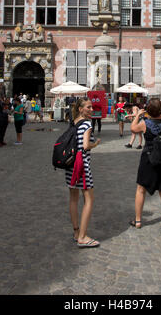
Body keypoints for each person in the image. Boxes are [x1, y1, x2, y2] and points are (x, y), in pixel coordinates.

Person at [129, 99, 161, 235]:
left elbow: (133, 128)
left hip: (149, 159)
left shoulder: (145, 124)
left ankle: (138, 220)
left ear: (148, 111)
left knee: (141, 188)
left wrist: (138, 115)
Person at [65, 98, 101, 248]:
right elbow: (85, 146)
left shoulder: (73, 122)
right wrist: (95, 144)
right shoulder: (87, 124)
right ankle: (83, 236)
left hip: (70, 165)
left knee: (73, 199)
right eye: (88, 107)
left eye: (92, 107)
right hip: (82, 165)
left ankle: (76, 232)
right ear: (80, 109)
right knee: (89, 199)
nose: (92, 109)